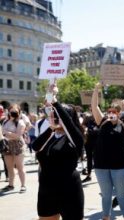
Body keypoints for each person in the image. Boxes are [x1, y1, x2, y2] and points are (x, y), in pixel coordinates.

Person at [32, 84, 85, 219]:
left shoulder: (75, 138)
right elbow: (35, 146)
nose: (55, 117)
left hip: (69, 190)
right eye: (54, 115)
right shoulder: (50, 135)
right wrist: (51, 127)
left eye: (58, 115)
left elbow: (68, 125)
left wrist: (55, 101)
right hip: (46, 190)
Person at [91, 82, 124, 220]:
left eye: (114, 112)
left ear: (119, 113)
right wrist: (96, 89)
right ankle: (106, 217)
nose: (111, 114)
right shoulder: (102, 122)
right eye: (109, 111)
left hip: (120, 166)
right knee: (106, 196)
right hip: (101, 165)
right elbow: (94, 106)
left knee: (121, 196)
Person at [1, 104, 27, 193]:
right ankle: (11, 185)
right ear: (8, 111)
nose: (12, 112)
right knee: (9, 167)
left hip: (18, 146)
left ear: (19, 112)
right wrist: (7, 134)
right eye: (11, 110)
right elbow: (2, 134)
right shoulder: (5, 121)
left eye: (15, 111)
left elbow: (18, 136)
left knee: (20, 167)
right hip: (7, 146)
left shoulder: (20, 122)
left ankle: (23, 185)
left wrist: (7, 133)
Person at [81, 112, 99, 182]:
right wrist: (85, 129)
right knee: (89, 158)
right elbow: (82, 125)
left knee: (96, 158)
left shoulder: (100, 118)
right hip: (88, 141)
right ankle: (89, 175)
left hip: (96, 142)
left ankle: (99, 175)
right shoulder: (88, 117)